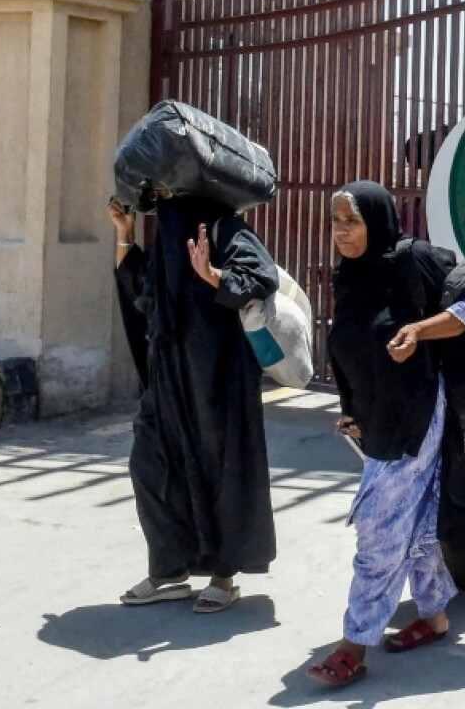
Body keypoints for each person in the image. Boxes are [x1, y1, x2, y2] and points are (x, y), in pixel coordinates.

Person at [309, 180, 465, 688]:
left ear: (376, 221)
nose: (342, 232)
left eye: (352, 221)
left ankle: (354, 643)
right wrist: (351, 408)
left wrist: (419, 330)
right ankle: (434, 616)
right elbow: (350, 344)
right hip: (376, 417)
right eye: (336, 221)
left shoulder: (414, 259)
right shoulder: (349, 273)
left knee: (380, 525)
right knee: (415, 517)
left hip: (416, 412)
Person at [109, 190, 277, 614]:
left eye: (171, 192)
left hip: (216, 377)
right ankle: (169, 570)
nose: (165, 200)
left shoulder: (224, 229)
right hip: (167, 376)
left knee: (220, 470)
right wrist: (125, 235)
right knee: (150, 464)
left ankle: (224, 574)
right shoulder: (170, 238)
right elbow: (140, 288)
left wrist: (213, 275)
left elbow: (260, 277)